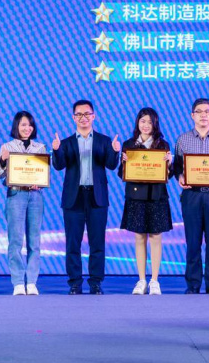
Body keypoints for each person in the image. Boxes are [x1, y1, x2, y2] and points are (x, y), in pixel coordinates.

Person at [52, 99, 120, 295]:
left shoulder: (104, 140)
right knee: (72, 243)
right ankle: (75, 282)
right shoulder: (66, 142)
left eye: (87, 114)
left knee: (97, 243)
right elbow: (59, 166)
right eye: (79, 114)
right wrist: (56, 150)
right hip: (73, 198)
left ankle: (95, 282)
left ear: (94, 116)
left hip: (97, 198)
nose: (83, 118)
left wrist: (115, 151)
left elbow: (111, 165)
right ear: (74, 118)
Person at [173, 98, 209, 295]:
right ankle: (193, 284)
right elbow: (177, 167)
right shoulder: (183, 139)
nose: (203, 115)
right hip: (192, 196)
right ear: (192, 115)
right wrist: (180, 176)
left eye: (207, 111)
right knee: (193, 241)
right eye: (199, 111)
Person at [119, 108, 173, 295]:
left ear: (155, 124)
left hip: (157, 196)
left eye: (150, 122)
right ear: (137, 123)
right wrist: (124, 162)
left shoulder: (162, 145)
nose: (146, 125)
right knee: (139, 237)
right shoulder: (128, 144)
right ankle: (141, 280)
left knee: (156, 237)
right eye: (143, 121)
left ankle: (155, 280)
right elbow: (121, 174)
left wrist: (169, 163)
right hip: (136, 197)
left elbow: (168, 175)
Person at [0, 111, 47, 296]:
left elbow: (44, 174)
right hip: (16, 194)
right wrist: (3, 159)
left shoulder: (40, 148)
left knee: (34, 241)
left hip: (35, 196)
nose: (27, 128)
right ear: (16, 126)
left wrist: (39, 182)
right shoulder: (7, 147)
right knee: (15, 240)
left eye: (30, 125)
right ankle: (18, 282)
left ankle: (32, 281)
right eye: (23, 124)